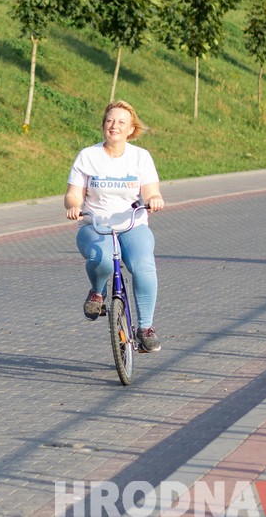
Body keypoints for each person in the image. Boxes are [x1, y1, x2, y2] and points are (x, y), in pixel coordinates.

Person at [64, 100, 166, 353]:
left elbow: (151, 190)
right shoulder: (88, 156)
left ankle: (145, 328)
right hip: (95, 225)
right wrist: (74, 206)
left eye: (121, 122)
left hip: (132, 225)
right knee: (103, 260)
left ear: (131, 129)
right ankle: (97, 293)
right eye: (110, 121)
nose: (114, 126)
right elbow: (73, 194)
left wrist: (154, 198)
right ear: (103, 126)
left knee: (144, 266)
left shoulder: (140, 157)